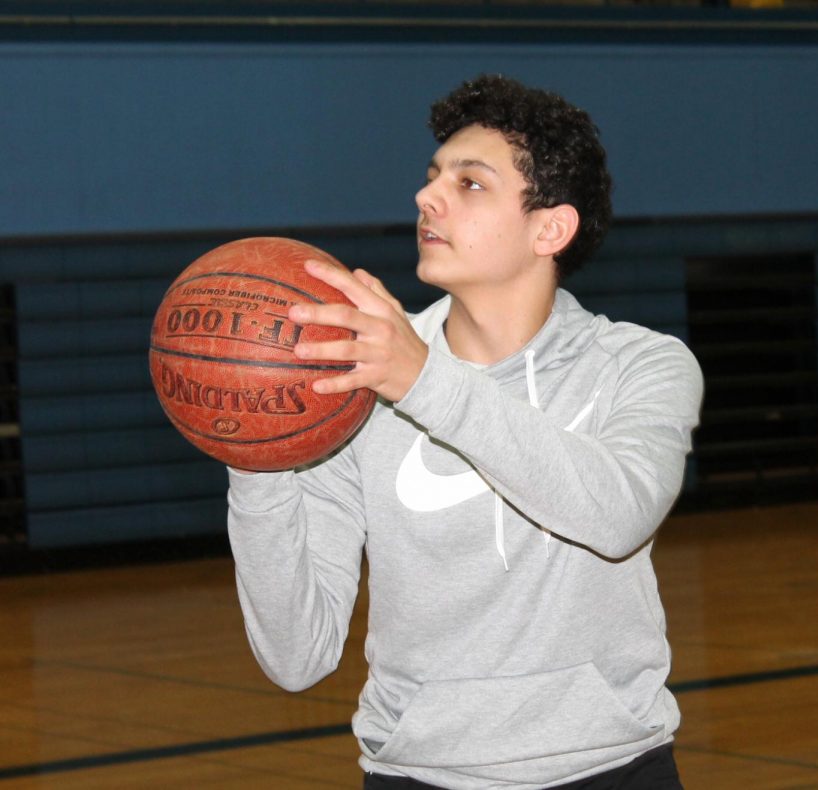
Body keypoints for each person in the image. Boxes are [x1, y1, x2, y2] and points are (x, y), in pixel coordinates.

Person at [226, 74, 703, 789]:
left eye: (470, 183)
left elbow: (617, 514)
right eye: (431, 176)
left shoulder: (642, 365)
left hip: (611, 768)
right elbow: (298, 657)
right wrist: (255, 447)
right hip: (417, 774)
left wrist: (424, 382)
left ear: (550, 228)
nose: (428, 196)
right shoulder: (350, 387)